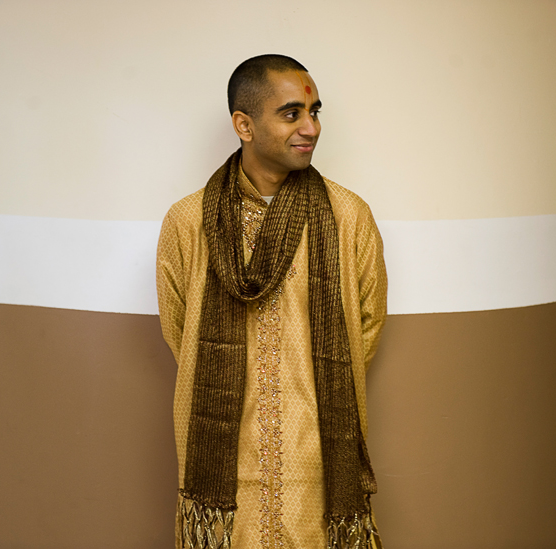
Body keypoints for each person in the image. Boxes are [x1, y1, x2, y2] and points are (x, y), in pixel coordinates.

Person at [156, 54, 387, 549]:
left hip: (320, 453)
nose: (311, 127)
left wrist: (306, 386)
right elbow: (181, 331)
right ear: (244, 124)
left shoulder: (349, 218)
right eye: (291, 113)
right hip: (223, 458)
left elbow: (364, 328)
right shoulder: (187, 221)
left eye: (315, 111)